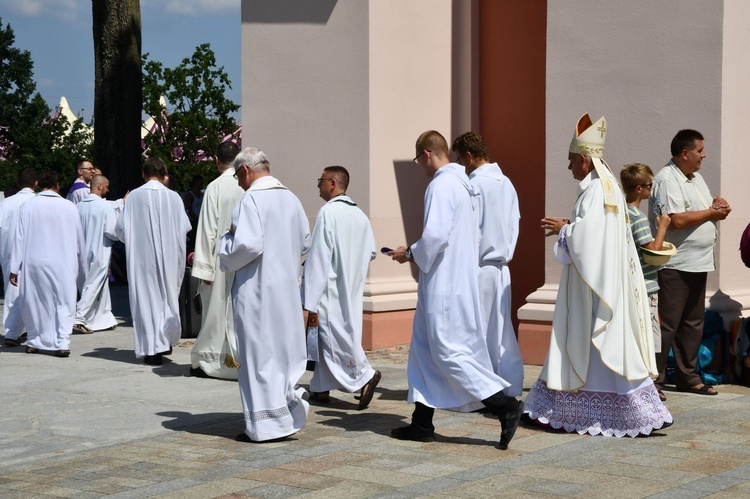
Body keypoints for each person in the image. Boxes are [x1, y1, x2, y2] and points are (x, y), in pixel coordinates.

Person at [527, 114, 672, 437]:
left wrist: (565, 229)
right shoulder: (606, 186)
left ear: (583, 159)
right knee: (602, 347)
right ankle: (621, 409)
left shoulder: (596, 190)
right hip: (601, 282)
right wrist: (571, 227)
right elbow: (599, 234)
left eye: (570, 161)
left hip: (592, 289)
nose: (568, 168)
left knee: (590, 342)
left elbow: (589, 239)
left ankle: (622, 411)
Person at [387, 130, 524, 450]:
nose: (420, 168)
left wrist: (410, 252)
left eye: (418, 161)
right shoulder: (465, 185)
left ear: (425, 155)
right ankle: (421, 423)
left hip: (444, 284)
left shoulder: (442, 184)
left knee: (449, 351)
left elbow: (435, 236)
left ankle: (504, 405)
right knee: (424, 351)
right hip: (460, 279)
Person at [218, 147, 311, 443]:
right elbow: (305, 244)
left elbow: (247, 245)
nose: (238, 182)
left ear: (245, 170)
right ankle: (284, 414)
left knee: (258, 356)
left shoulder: (251, 199)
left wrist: (224, 246)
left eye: (237, 176)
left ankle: (264, 426)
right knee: (280, 354)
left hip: (256, 291)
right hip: (285, 291)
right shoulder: (292, 198)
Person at [649, 130, 730, 396]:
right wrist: (711, 212)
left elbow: (702, 210)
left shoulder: (696, 178)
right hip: (675, 264)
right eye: (700, 150)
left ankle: (688, 376)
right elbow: (676, 219)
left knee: (693, 322)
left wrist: (716, 206)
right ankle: (654, 381)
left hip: (699, 261)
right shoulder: (666, 179)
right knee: (668, 324)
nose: (703, 155)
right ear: (685, 153)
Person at [451, 132, 523, 397]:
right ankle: (508, 383)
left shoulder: (474, 184)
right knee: (501, 331)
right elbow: (514, 223)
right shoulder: (506, 183)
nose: (460, 165)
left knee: (476, 330)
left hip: (478, 266)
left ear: (469, 156)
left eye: (460, 159)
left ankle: (481, 390)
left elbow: (468, 230)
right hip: (502, 268)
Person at [302, 166, 381, 409]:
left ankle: (364, 376)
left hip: (331, 289)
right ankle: (320, 388)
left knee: (333, 338)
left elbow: (319, 258)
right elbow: (370, 252)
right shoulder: (360, 216)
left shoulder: (328, 213)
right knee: (331, 339)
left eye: (321, 180)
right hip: (352, 287)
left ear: (333, 183)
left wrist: (308, 300)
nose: (318, 185)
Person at [115, 158, 191, 366]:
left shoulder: (133, 197)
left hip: (142, 257)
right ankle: (164, 341)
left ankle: (152, 348)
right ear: (164, 172)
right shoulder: (174, 197)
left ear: (143, 173)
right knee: (167, 296)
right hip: (168, 256)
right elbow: (184, 227)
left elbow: (121, 231)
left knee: (146, 300)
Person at [8, 171, 86, 357]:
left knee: (34, 302)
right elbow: (79, 239)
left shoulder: (28, 205)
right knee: (64, 302)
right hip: (63, 262)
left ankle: (34, 341)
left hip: (34, 261)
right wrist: (83, 265)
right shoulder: (69, 206)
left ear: (39, 184)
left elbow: (19, 237)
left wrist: (14, 268)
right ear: (57, 186)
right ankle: (62, 342)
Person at [190, 141, 244, 379]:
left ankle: (211, 361)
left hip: (220, 260)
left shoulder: (215, 187)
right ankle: (240, 360)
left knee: (216, 312)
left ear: (216, 160)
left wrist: (204, 270)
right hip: (246, 260)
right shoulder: (249, 184)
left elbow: (207, 231)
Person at [621, 163, 672, 400]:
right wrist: (662, 227)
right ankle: (647, 385)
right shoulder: (638, 218)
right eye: (650, 185)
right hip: (646, 285)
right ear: (640, 188)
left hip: (628, 282)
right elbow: (652, 253)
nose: (652, 189)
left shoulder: (619, 212)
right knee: (649, 336)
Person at [73, 175, 120, 334]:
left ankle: (103, 318)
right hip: (99, 250)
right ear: (99, 186)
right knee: (93, 286)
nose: (108, 189)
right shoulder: (104, 206)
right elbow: (112, 232)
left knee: (94, 285)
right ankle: (78, 317)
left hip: (80, 251)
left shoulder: (78, 206)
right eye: (106, 186)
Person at [0, 168, 37, 346]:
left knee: (11, 291)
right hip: (32, 252)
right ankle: (27, 329)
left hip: (7, 251)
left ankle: (11, 330)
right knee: (34, 292)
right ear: (36, 183)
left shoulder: (6, 203)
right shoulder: (36, 201)